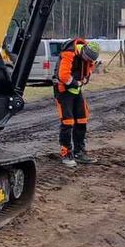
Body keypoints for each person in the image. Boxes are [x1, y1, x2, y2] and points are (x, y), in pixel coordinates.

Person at [54, 38, 101, 167]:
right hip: (63, 91)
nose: (87, 61)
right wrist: (76, 83)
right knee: (67, 122)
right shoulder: (69, 53)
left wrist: (86, 77)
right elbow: (63, 76)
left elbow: (89, 67)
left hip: (76, 90)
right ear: (84, 51)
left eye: (89, 60)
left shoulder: (89, 58)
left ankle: (79, 152)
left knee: (82, 119)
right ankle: (66, 153)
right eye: (86, 58)